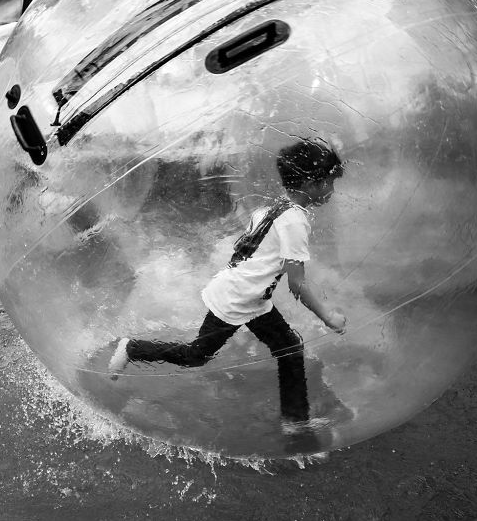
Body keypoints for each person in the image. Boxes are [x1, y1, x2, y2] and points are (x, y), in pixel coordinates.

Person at [108, 138, 347, 428]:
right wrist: (329, 316)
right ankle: (132, 348)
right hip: (237, 299)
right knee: (196, 355)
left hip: (250, 298)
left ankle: (295, 423)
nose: (331, 190)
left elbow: (247, 251)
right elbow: (297, 285)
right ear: (311, 183)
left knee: (290, 349)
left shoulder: (270, 210)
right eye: (329, 183)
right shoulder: (295, 222)